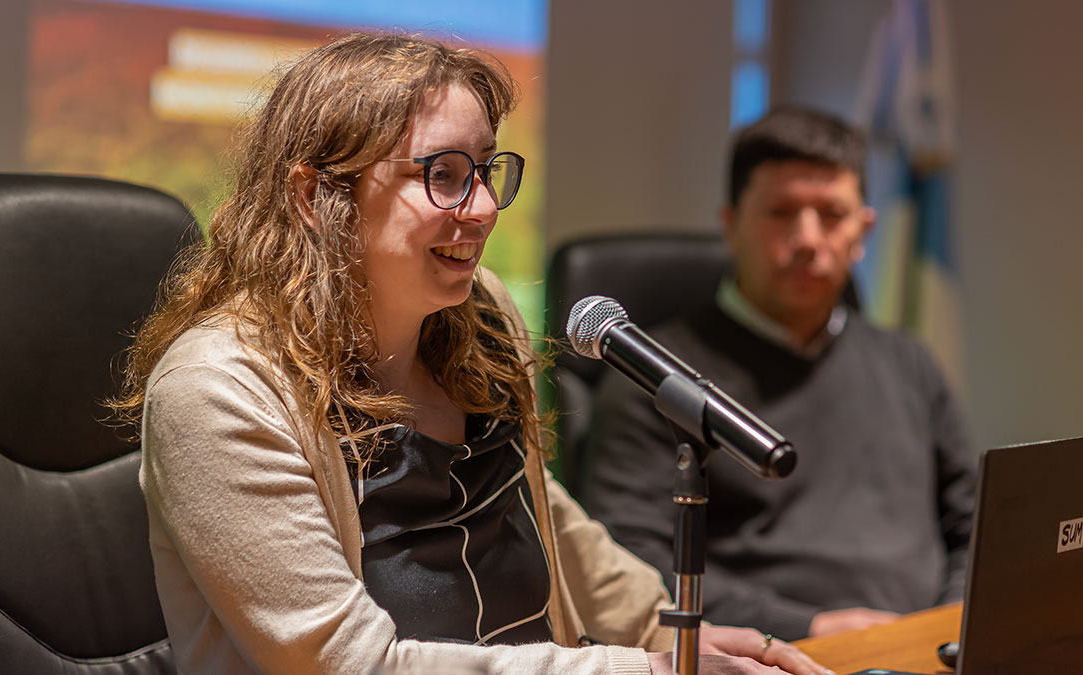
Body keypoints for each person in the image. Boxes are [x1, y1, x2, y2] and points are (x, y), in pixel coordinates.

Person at [110, 33, 833, 675]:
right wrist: (639, 669)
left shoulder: (480, 312)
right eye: (444, 174)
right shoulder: (218, 389)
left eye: (486, 169)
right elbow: (345, 663)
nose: (484, 208)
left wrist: (674, 636)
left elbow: (542, 513)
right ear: (312, 196)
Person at [584, 106, 978, 642]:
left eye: (831, 214)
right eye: (782, 212)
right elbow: (631, 561)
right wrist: (808, 626)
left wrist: (953, 625)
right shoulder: (656, 376)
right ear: (730, 225)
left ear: (863, 230)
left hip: (927, 649)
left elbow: (975, 524)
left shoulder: (909, 361)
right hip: (769, 654)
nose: (808, 238)